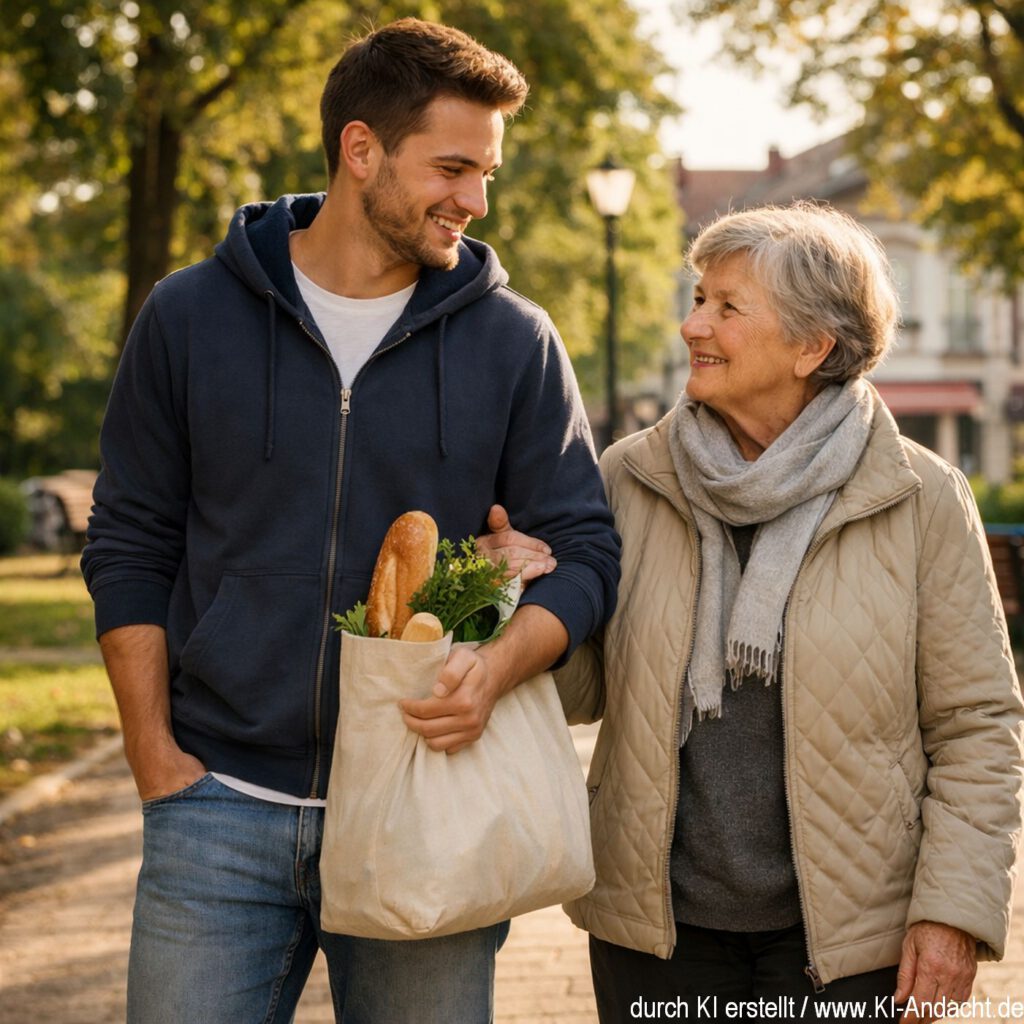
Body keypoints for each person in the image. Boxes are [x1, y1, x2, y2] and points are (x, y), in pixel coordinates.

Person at [80, 18, 619, 1024]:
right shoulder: (189, 317)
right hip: (218, 808)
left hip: (430, 801)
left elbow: (587, 550)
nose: (475, 199)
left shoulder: (514, 340)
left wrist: (497, 662)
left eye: (487, 172)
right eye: (453, 166)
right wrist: (154, 753)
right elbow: (130, 541)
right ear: (360, 149)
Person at [482, 202, 1024, 1022]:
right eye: (699, 297)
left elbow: (977, 722)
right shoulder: (631, 475)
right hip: (659, 931)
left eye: (726, 307)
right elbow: (588, 692)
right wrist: (522, 601)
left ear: (814, 346)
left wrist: (953, 910)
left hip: (853, 938)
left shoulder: (919, 493)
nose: (691, 323)